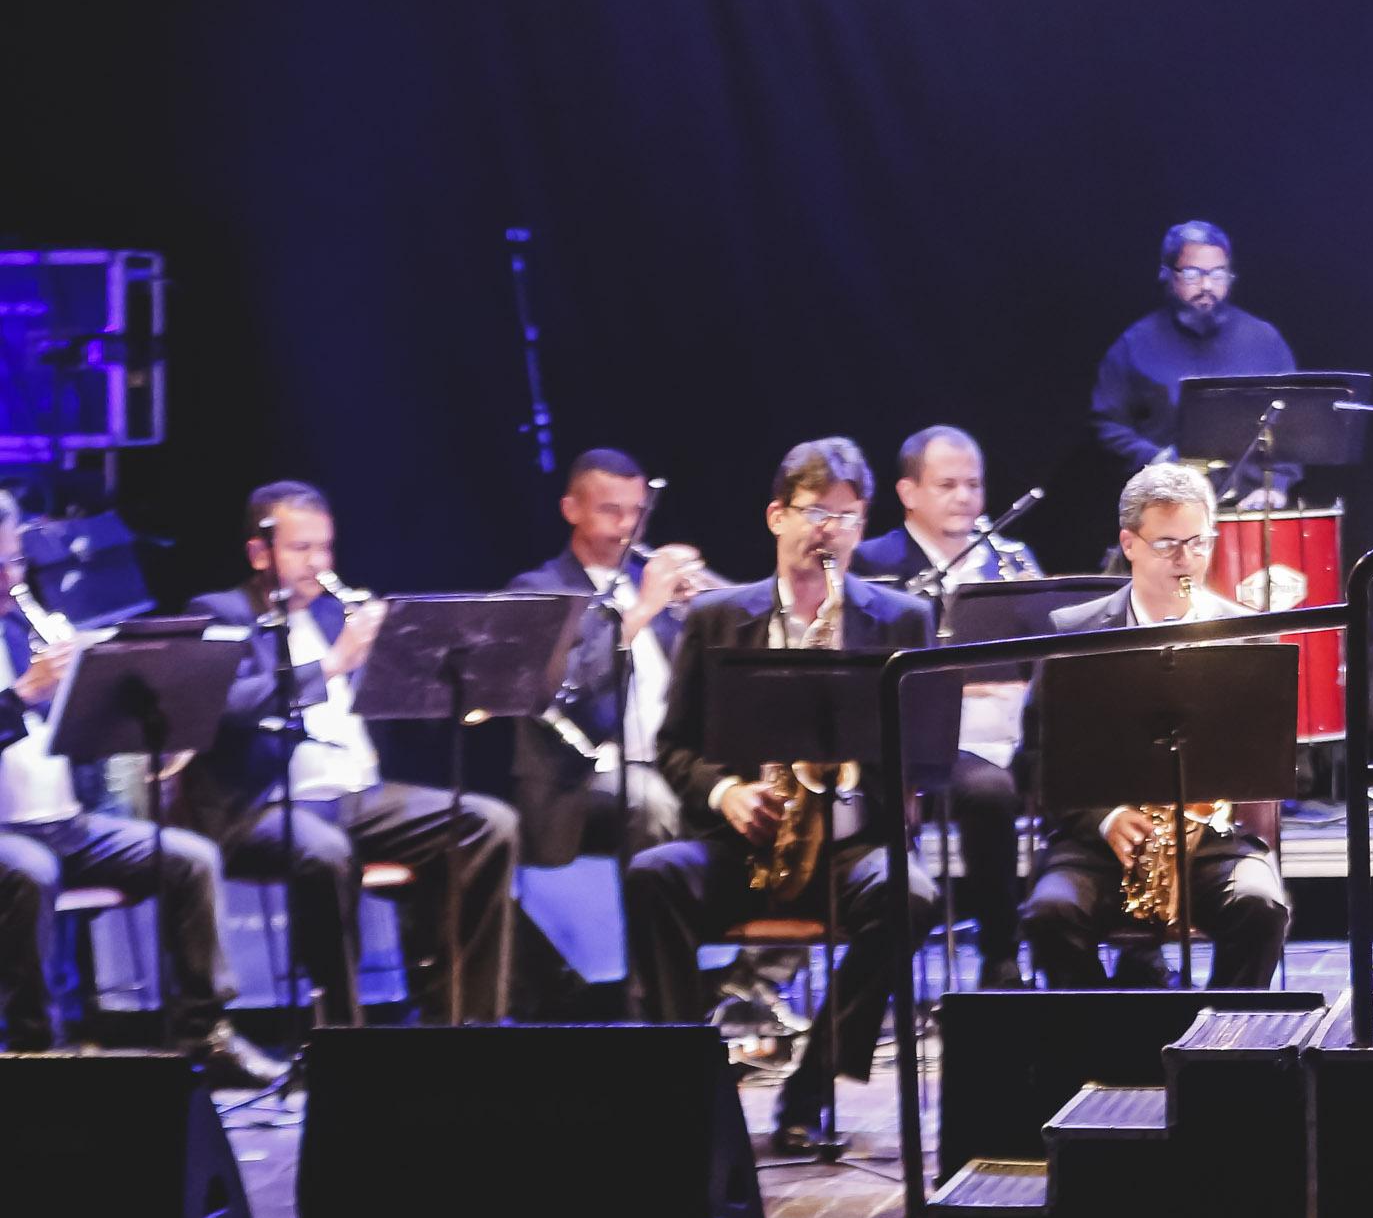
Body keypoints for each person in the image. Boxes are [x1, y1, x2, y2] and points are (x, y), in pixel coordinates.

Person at [626, 438, 937, 1155]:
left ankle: (814, 1082)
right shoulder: (714, 618)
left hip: (848, 848)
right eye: (815, 513)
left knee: (910, 896)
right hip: (744, 847)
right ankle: (691, 1082)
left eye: (849, 518)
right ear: (776, 516)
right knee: (652, 876)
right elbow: (672, 747)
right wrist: (727, 791)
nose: (832, 532)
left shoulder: (900, 621)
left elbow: (923, 757)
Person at [181, 482, 520, 1026]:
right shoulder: (222, 613)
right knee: (325, 852)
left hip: (359, 794)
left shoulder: (335, 615)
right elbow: (226, 705)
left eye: (326, 548)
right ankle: (341, 1033)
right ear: (258, 553)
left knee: (487, 823)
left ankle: (465, 1020)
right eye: (301, 549)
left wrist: (410, 655)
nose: (318, 563)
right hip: (262, 805)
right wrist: (334, 664)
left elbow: (401, 708)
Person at [0, 490, 256, 1075]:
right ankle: (34, 1048)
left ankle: (205, 1034)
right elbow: (20, 708)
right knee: (29, 874)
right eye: (1, 565)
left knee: (187, 857)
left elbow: (74, 732)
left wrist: (116, 702)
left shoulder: (21, 629)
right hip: (6, 835)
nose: (12, 580)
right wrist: (20, 695)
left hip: (64, 822)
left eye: (16, 563)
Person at [1018, 462, 1292, 991]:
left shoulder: (1250, 635)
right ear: (1130, 543)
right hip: (1098, 842)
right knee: (1049, 914)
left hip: (1211, 841)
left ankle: (1221, 1052)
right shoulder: (1073, 633)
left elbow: (1269, 761)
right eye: (1167, 545)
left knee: (1261, 908)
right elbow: (1034, 757)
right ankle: (1102, 1048)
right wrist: (1106, 817)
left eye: (1197, 542)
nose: (1186, 560)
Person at [853, 424, 1039, 985]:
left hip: (1011, 730)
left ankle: (1115, 942)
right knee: (987, 792)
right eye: (947, 484)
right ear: (908, 493)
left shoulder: (1011, 559)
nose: (965, 497)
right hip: (930, 741)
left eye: (974, 485)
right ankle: (1000, 956)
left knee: (1087, 765)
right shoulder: (872, 562)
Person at [508, 448, 719, 868]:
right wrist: (641, 612)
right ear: (571, 509)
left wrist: (707, 613)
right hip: (578, 778)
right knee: (652, 802)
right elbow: (563, 688)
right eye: (610, 511)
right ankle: (655, 932)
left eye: (636, 512)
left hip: (669, 759)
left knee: (746, 792)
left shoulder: (650, 584)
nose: (627, 527)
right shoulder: (538, 589)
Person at [1086, 220, 1301, 485]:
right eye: (1192, 274)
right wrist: (1157, 460)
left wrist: (1277, 486)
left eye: (1218, 274)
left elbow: (1295, 421)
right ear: (1167, 274)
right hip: (1166, 502)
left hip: (1251, 504)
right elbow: (1107, 424)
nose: (1207, 286)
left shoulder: (1264, 340)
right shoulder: (1134, 345)